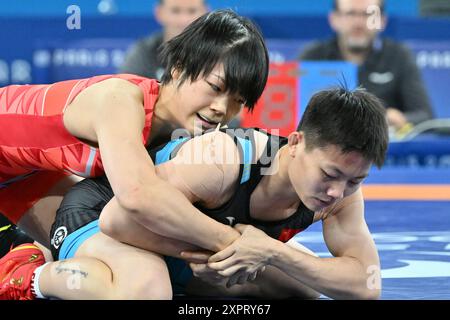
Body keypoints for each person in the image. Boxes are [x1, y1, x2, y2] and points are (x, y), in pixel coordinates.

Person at [0, 87, 388, 300]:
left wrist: (270, 252)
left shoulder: (343, 191)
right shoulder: (224, 159)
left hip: (174, 241)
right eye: (330, 174)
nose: (337, 191)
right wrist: (231, 247)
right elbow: (119, 220)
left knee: (302, 287)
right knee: (149, 291)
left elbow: (365, 284)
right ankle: (30, 275)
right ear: (297, 142)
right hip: (98, 216)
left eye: (355, 181)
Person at [0, 9, 269, 299]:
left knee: (118, 263)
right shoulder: (119, 100)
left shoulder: (186, 135)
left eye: (237, 100)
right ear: (178, 68)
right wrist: (230, 241)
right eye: (215, 87)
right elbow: (138, 196)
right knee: (147, 284)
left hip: (28, 176)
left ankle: (24, 275)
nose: (221, 108)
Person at [299, 0, 433, 136]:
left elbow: (426, 118)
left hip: (382, 150)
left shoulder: (399, 56)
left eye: (369, 14)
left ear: (382, 20)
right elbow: (291, 118)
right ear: (334, 19)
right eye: (350, 14)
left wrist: (401, 119)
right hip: (323, 149)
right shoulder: (312, 56)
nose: (358, 23)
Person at [120, 0, 208, 80]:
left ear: (205, 13)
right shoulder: (143, 52)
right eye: (175, 11)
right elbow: (125, 90)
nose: (183, 20)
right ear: (159, 13)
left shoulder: (218, 52)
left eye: (192, 11)